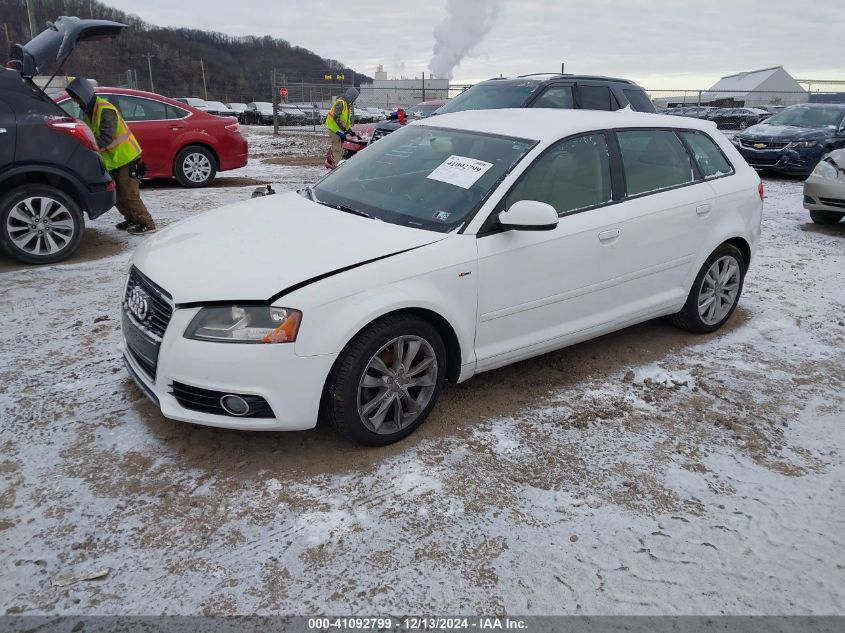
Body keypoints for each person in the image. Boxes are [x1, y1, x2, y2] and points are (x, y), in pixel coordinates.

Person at [65, 77, 156, 235]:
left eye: (76, 97)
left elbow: (107, 137)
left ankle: (146, 223)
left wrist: (87, 148)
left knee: (129, 194)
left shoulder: (104, 109)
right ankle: (132, 218)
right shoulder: (88, 111)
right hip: (113, 161)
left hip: (126, 158)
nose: (75, 101)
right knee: (117, 196)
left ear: (84, 94)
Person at [324, 87, 360, 167]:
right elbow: (336, 117)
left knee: (341, 150)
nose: (354, 100)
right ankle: (338, 168)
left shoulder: (346, 104)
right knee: (337, 150)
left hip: (339, 130)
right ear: (351, 96)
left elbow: (345, 121)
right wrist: (343, 130)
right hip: (334, 130)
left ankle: (340, 165)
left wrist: (349, 131)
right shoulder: (341, 102)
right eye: (354, 98)